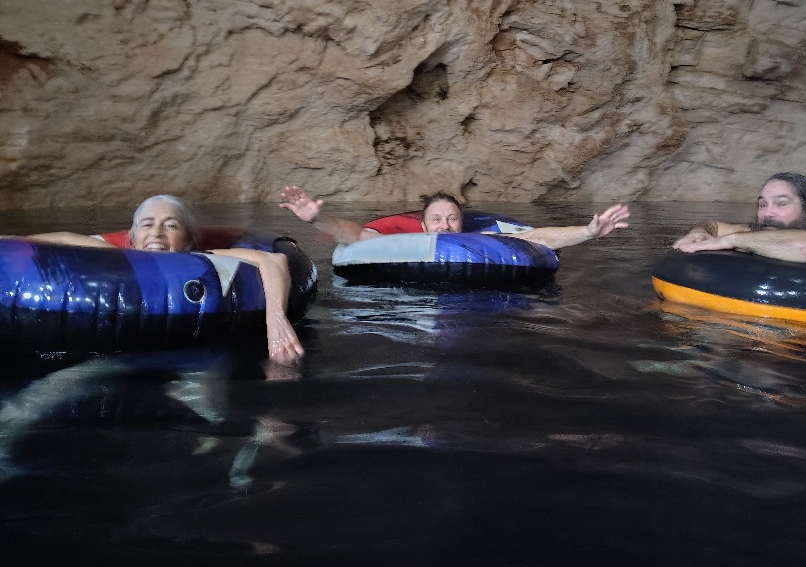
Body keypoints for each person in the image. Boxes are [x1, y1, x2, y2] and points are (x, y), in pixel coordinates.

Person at [17, 195, 303, 364]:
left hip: (194, 352)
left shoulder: (203, 258)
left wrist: (275, 318)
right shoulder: (117, 254)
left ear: (188, 240)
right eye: (148, 224)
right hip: (124, 353)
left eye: (171, 225)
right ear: (132, 238)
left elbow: (273, 260)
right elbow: (64, 239)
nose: (157, 233)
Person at [279, 186, 630, 249]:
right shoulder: (405, 241)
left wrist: (588, 230)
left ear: (462, 224)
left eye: (452, 219)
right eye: (437, 219)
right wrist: (315, 218)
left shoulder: (483, 240)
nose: (445, 226)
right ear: (423, 224)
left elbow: (537, 237)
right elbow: (355, 235)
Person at [671, 172, 806, 263]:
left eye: (781, 203)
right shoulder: (752, 232)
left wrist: (731, 240)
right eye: (762, 204)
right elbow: (712, 225)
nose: (767, 213)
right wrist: (698, 232)